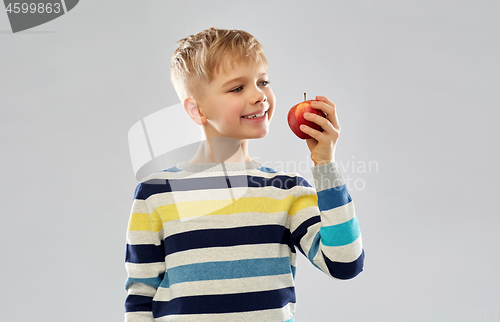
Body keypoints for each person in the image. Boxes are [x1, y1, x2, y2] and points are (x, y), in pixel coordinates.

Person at [124, 27, 364, 322]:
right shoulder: (156, 192)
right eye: (238, 88)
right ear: (197, 110)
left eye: (263, 81)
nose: (259, 96)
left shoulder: (287, 191)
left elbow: (345, 263)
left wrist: (324, 163)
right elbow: (140, 295)